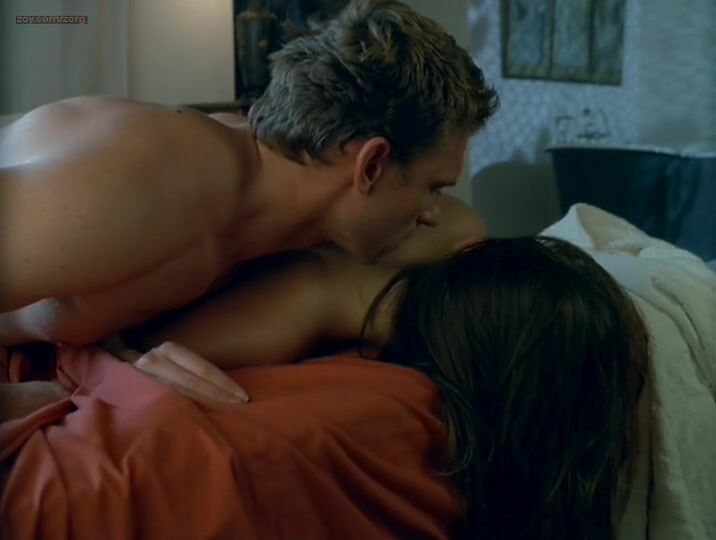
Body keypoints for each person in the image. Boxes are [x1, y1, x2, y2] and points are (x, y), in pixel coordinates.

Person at [0, 0, 498, 348]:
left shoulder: (289, 224)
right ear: (370, 166)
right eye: (433, 188)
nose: (432, 213)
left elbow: (465, 230)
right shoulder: (150, 180)